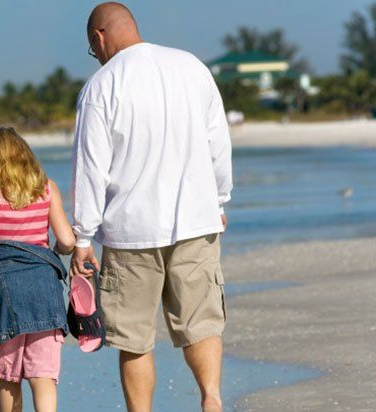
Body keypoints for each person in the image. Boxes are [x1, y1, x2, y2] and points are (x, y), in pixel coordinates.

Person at [71, 3, 233, 412]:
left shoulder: (102, 85)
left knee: (134, 338)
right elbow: (218, 141)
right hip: (196, 220)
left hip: (130, 232)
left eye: (94, 49)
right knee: (201, 322)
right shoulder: (192, 67)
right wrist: (218, 199)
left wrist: (83, 236)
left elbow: (92, 167)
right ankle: (211, 399)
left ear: (99, 38)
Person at [0, 127, 76, 412]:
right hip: (44, 289)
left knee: (9, 376)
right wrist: (52, 252)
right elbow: (68, 240)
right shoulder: (46, 186)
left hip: (5, 291)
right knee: (43, 375)